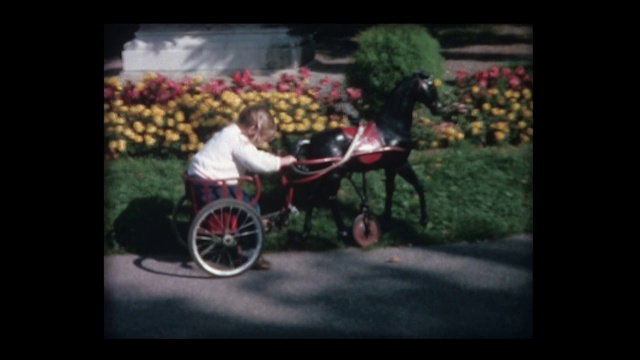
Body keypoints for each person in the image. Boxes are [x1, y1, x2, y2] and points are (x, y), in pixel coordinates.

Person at [187, 103, 297, 270]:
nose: (259, 143)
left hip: (199, 181)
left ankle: (245, 234)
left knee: (245, 201)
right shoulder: (238, 141)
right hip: (213, 186)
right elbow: (256, 161)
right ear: (253, 129)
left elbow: (253, 154)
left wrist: (272, 158)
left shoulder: (230, 132)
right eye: (261, 139)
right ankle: (250, 251)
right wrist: (281, 162)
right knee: (252, 208)